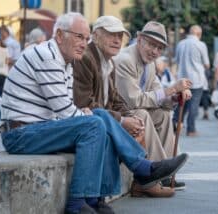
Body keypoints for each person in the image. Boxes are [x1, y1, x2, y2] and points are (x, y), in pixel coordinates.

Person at [0, 12, 188, 214]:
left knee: (100, 124)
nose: (83, 43)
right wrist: (111, 119)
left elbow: (108, 101)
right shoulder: (48, 56)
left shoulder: (67, 60)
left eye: (85, 38)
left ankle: (95, 200)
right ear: (60, 35)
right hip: (20, 134)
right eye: (79, 36)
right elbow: (65, 111)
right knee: (97, 123)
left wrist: (106, 117)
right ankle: (86, 199)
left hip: (40, 128)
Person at [73, 16, 174, 197]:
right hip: (89, 120)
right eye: (111, 35)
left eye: (120, 36)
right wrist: (124, 119)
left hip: (101, 117)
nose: (117, 40)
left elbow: (116, 99)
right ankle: (148, 173)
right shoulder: (91, 58)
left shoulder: (109, 61)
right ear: (95, 36)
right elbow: (85, 104)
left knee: (154, 115)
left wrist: (172, 98)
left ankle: (157, 173)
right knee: (138, 115)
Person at [114, 21, 192, 190]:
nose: (155, 52)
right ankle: (155, 170)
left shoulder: (149, 65)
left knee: (163, 115)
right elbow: (133, 100)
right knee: (142, 114)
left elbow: (159, 95)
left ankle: (165, 173)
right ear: (139, 39)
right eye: (151, 45)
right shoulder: (125, 60)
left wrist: (174, 97)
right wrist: (171, 89)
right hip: (118, 113)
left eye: (159, 48)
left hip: (131, 109)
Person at [173, 25, 210, 136]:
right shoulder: (201, 45)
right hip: (196, 79)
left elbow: (177, 61)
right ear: (199, 34)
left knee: (181, 104)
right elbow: (207, 64)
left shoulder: (180, 43)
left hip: (182, 79)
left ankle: (175, 126)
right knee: (194, 105)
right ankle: (191, 129)